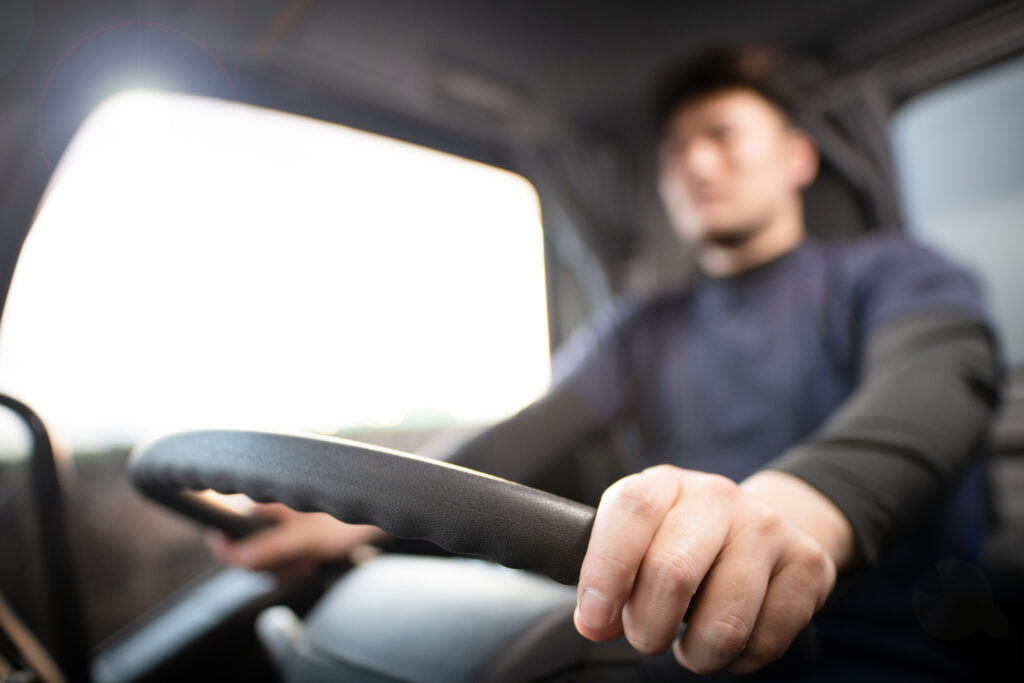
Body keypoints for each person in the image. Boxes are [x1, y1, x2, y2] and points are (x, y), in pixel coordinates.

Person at [208, 45, 1001, 679]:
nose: (694, 165)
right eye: (676, 150)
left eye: (722, 135)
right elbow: (522, 438)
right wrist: (351, 517)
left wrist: (794, 506)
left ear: (796, 157)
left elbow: (933, 386)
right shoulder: (642, 326)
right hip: (680, 644)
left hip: (881, 641)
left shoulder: (891, 272)